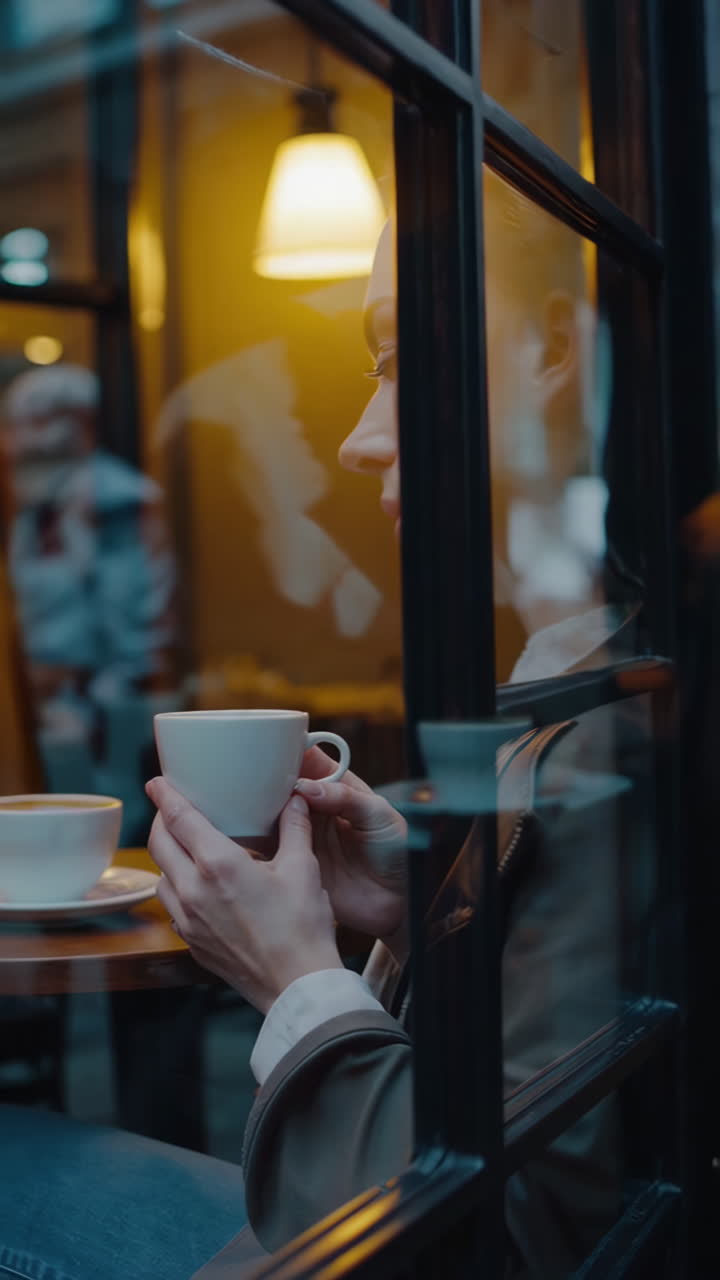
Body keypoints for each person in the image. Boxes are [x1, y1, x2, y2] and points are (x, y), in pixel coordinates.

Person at [0, 198, 649, 1280]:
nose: (357, 436)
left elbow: (510, 1238)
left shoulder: (620, 728)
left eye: (394, 358)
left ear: (547, 347)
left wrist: (293, 972)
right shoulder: (593, 679)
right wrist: (423, 897)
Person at [0, 363, 176, 838]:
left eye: (37, 423)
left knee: (110, 825)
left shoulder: (116, 499)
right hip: (50, 707)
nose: (22, 441)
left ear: (80, 423)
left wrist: (103, 698)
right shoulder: (36, 508)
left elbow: (134, 620)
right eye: (17, 425)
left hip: (101, 707)